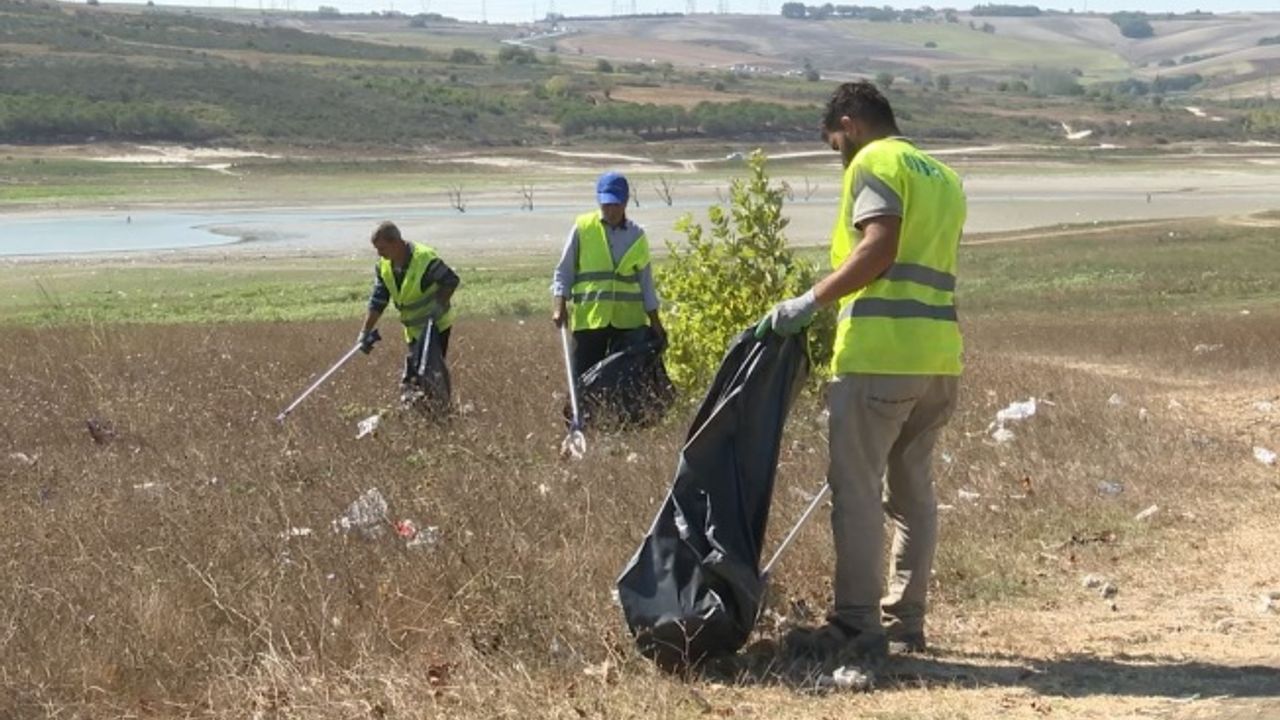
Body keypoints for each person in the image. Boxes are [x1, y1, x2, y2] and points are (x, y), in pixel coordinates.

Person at [757, 81, 967, 665]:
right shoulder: (942, 175)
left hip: (879, 356)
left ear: (849, 123)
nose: (840, 157)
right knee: (913, 495)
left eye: (835, 145)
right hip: (937, 357)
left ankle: (855, 626)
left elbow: (878, 247)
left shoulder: (875, 160)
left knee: (857, 494)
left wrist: (809, 302)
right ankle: (907, 621)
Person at [551, 172, 666, 378]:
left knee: (626, 384)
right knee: (582, 381)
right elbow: (564, 271)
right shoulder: (583, 228)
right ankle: (582, 410)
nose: (611, 210)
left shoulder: (637, 235)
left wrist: (656, 323)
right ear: (599, 200)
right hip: (591, 320)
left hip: (628, 324)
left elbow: (646, 283)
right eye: (606, 204)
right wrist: (559, 306)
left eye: (616, 204)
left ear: (625, 202)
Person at [358, 221, 460, 396]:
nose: (379, 253)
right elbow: (378, 300)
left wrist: (437, 307)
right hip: (412, 328)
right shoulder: (383, 266)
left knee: (430, 373)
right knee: (416, 376)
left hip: (435, 326)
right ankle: (420, 409)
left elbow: (451, 280)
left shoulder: (425, 259)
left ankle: (441, 413)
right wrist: (365, 331)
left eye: (382, 248)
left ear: (396, 242)